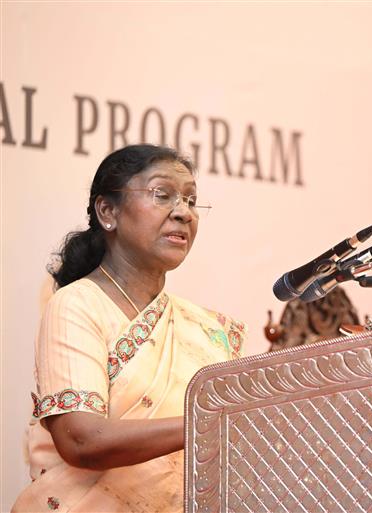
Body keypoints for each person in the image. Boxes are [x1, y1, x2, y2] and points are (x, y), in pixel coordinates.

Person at [13, 145, 245, 512]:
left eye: (191, 200)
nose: (183, 212)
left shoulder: (208, 330)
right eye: (162, 194)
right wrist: (212, 420)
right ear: (108, 211)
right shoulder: (77, 304)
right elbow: (82, 440)